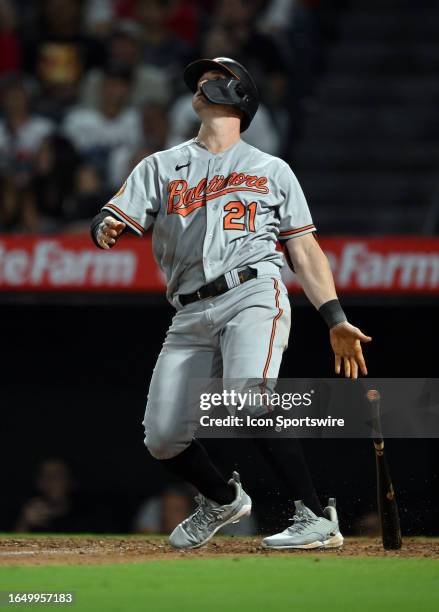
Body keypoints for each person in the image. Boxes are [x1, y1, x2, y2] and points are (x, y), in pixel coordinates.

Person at [90, 57, 372, 550]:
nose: (201, 84)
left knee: (248, 397)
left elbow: (303, 250)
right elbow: (111, 216)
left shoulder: (270, 169)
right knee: (161, 439)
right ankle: (222, 498)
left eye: (214, 79)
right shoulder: (160, 165)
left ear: (240, 98)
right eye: (200, 80)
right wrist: (105, 227)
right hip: (189, 311)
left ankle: (314, 517)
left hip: (252, 292)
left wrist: (336, 317)